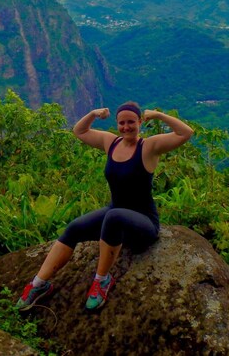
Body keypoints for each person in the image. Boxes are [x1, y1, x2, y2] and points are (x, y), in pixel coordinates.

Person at [16, 101, 194, 312]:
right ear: (117, 124)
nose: (126, 127)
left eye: (131, 122)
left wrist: (158, 115)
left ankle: (101, 280)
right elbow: (80, 131)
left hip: (144, 223)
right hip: (115, 213)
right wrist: (93, 113)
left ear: (140, 122)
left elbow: (185, 133)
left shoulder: (148, 147)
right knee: (74, 228)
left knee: (113, 217)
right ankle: (38, 284)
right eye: (121, 123)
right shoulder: (111, 143)